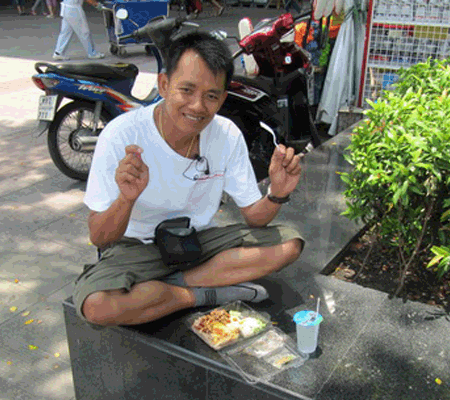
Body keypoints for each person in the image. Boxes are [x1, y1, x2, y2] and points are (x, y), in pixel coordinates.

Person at [73, 31, 305, 327]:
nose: (197, 106)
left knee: (290, 244)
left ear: (223, 98)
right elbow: (99, 237)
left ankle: (168, 288)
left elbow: (254, 218)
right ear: (164, 84)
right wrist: (126, 200)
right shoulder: (122, 135)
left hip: (198, 242)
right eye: (187, 90)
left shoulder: (226, 135)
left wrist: (277, 193)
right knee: (97, 306)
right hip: (137, 246)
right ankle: (200, 294)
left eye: (211, 96)